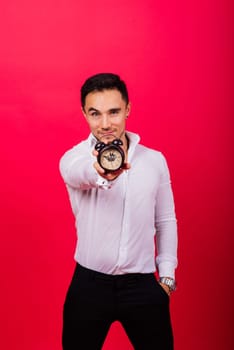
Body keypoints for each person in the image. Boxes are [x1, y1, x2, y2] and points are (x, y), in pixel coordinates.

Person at [59, 72, 178, 350]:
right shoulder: (74, 158)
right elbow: (79, 174)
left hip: (143, 286)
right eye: (95, 113)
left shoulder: (154, 161)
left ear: (127, 109)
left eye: (113, 112)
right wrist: (100, 171)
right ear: (84, 114)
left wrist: (167, 278)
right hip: (89, 285)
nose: (105, 124)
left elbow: (166, 220)